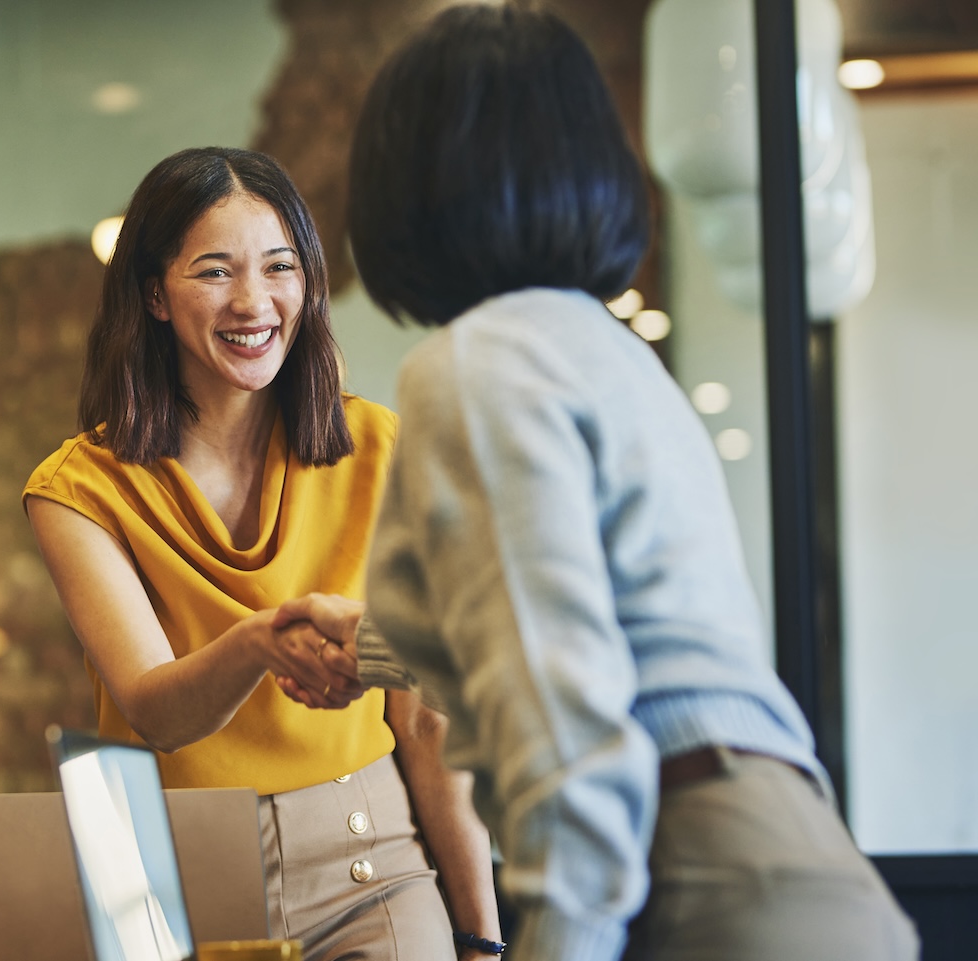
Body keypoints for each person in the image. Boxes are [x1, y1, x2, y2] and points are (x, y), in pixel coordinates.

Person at [275, 6, 920, 961]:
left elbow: (567, 738)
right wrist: (369, 646)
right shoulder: (606, 354)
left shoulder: (477, 367)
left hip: (694, 871)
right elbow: (613, 627)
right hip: (787, 857)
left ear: (410, 180)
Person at [23, 146, 502, 960]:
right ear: (154, 296)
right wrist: (257, 640)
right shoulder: (77, 490)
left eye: (280, 267)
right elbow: (155, 710)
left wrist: (483, 939)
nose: (254, 302)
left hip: (372, 864)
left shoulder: (381, 448)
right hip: (169, 889)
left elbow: (425, 721)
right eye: (214, 272)